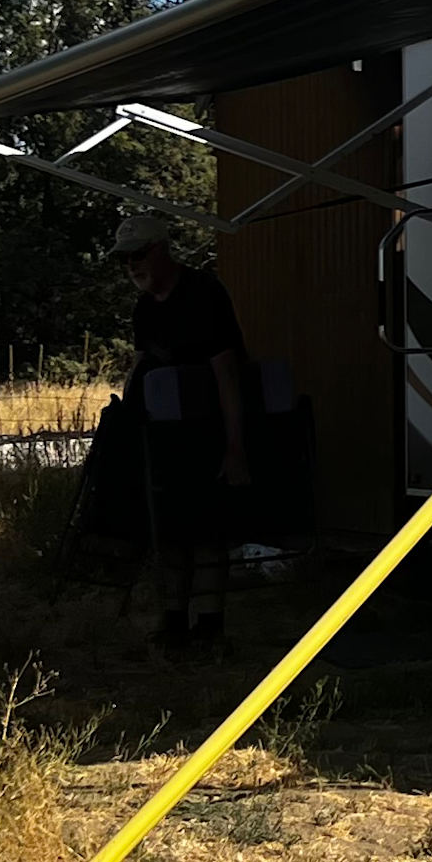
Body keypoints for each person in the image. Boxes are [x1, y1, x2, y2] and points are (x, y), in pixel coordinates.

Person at [117, 210, 250, 645]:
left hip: (207, 430)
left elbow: (228, 373)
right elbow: (140, 366)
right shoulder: (143, 308)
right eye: (125, 258)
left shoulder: (203, 294)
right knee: (169, 530)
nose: (132, 266)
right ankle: (174, 619)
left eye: (138, 255)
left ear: (161, 251)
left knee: (209, 530)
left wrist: (235, 447)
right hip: (164, 434)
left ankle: (210, 625)